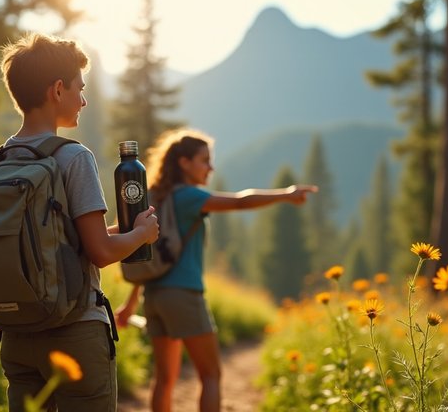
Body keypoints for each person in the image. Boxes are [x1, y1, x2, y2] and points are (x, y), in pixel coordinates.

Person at [0, 33, 159, 412]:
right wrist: (142, 234)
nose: (83, 100)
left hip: (16, 336)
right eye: (80, 89)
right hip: (74, 332)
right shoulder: (73, 157)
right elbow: (99, 252)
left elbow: (61, 241)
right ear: (58, 89)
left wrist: (122, 232)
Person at [115, 129, 317, 412]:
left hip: (155, 296)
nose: (210, 167)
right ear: (184, 163)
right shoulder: (188, 197)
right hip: (184, 295)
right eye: (204, 160)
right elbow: (239, 201)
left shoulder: (156, 196)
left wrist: (130, 303)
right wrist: (286, 194)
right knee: (211, 375)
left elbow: (149, 255)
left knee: (164, 379)